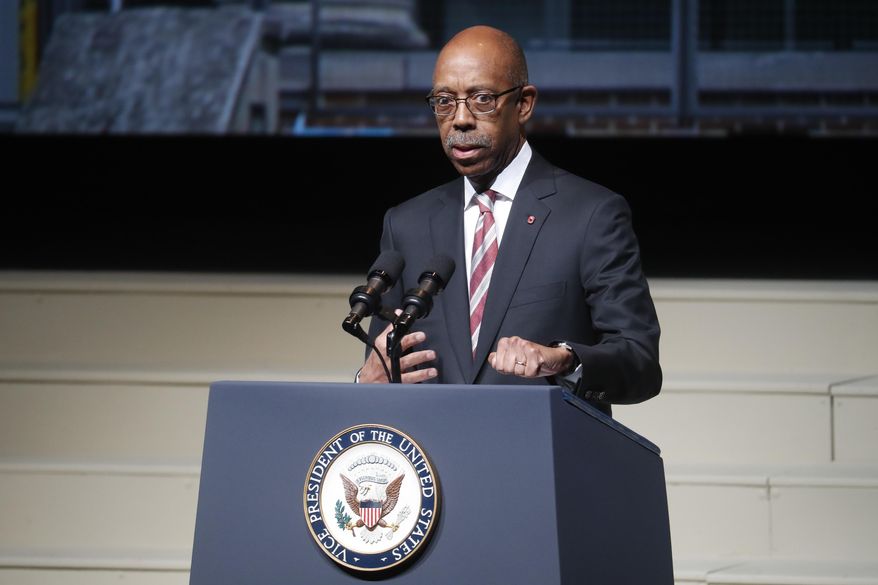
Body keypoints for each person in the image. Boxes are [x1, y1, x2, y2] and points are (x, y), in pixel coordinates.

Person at [358, 25, 661, 416]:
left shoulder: (591, 215)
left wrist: (564, 360)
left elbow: (640, 362)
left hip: (542, 448)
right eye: (445, 102)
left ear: (524, 104)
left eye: (482, 99)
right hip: (432, 449)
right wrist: (365, 383)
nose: (460, 119)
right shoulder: (406, 224)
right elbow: (381, 365)